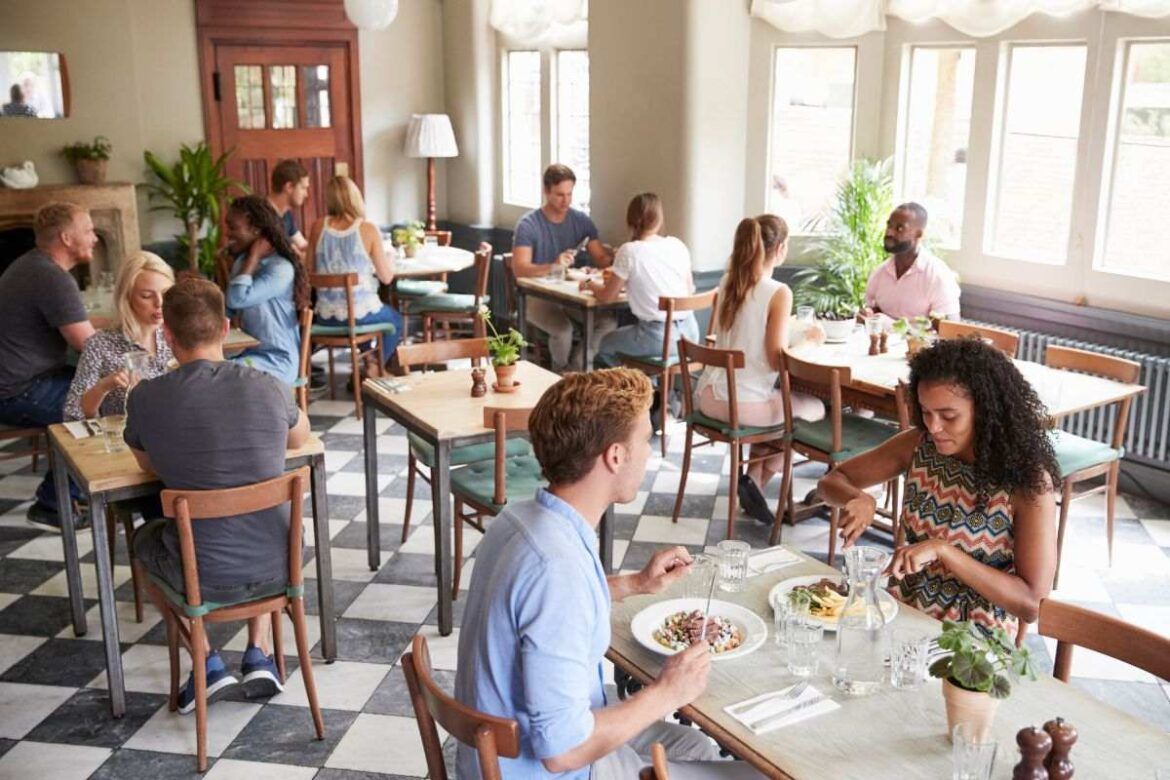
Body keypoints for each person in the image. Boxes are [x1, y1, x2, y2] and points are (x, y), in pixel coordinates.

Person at [455, 368, 759, 779]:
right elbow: (563, 751)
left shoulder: (520, 517)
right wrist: (668, 690)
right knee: (754, 775)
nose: (649, 453)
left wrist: (635, 584)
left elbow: (544, 611)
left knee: (696, 743)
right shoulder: (557, 569)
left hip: (500, 753)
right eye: (646, 441)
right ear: (615, 456)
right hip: (547, 769)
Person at [128, 277, 311, 712]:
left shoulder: (147, 397)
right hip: (281, 562)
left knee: (141, 541)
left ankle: (206, 659)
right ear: (227, 328)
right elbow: (299, 437)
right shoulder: (267, 385)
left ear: (167, 336)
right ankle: (258, 652)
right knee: (262, 520)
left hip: (201, 573)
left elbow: (145, 465)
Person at [818, 338, 1058, 636]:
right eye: (925, 412)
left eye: (948, 416)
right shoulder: (918, 446)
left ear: (985, 409)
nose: (933, 427)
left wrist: (944, 551)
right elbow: (830, 483)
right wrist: (858, 497)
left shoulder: (1027, 484)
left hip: (972, 643)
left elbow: (1031, 603)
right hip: (900, 614)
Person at [694, 215, 824, 526]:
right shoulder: (778, 291)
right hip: (741, 405)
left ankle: (752, 478)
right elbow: (776, 356)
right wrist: (808, 340)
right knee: (813, 408)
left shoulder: (729, 281)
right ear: (780, 248)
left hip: (708, 394)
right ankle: (755, 479)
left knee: (781, 405)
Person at [0, 202, 97, 530]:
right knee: (99, 403)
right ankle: (54, 504)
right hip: (15, 391)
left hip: (22, 380)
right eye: (88, 230)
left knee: (97, 390)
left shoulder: (32, 266)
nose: (95, 237)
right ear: (67, 238)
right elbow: (90, 346)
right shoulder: (51, 278)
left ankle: (68, 493)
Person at [511, 163, 617, 371]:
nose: (566, 201)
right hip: (535, 297)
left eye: (570, 194)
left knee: (608, 323)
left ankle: (575, 371)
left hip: (569, 295)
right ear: (546, 191)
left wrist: (619, 256)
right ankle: (558, 380)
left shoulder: (581, 221)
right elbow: (520, 270)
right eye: (560, 195)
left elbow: (601, 259)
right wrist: (553, 266)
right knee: (563, 330)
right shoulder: (528, 225)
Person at [590, 193, 698, 371]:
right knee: (630, 342)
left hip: (659, 338)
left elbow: (607, 297)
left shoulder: (629, 251)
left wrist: (589, 283)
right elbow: (689, 289)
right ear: (659, 219)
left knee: (606, 344)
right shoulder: (677, 245)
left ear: (630, 221)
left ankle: (636, 392)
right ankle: (656, 390)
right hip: (690, 334)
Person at [64, 251, 175, 421]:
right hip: (127, 442)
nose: (159, 303)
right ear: (127, 297)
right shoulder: (100, 344)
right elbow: (74, 411)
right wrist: (103, 387)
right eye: (146, 296)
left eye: (166, 294)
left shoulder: (179, 336)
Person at [306, 175, 402, 362]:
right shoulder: (368, 229)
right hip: (359, 317)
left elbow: (308, 269)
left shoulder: (317, 227)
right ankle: (374, 365)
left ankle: (363, 366)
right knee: (395, 320)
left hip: (325, 317)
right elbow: (386, 278)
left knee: (371, 315)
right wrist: (389, 258)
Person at [224, 195, 310, 386]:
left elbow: (237, 299)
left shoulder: (281, 269)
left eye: (233, 227)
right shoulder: (242, 263)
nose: (227, 234)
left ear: (256, 231)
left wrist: (254, 256)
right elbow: (226, 309)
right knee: (205, 369)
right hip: (246, 353)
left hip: (277, 359)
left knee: (223, 378)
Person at [863, 202, 961, 321]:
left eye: (899, 228)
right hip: (882, 339)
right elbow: (872, 310)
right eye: (889, 226)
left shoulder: (937, 276)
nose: (889, 233)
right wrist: (868, 314)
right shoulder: (879, 273)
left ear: (918, 234)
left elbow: (950, 328)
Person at [268, 159, 311, 258]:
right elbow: (296, 255)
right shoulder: (262, 215)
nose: (306, 194)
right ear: (289, 187)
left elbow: (303, 245)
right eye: (303, 188)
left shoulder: (287, 215)